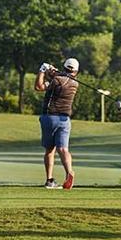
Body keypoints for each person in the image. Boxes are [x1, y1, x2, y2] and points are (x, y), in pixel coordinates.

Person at [35, 58, 80, 190]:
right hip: (65, 120)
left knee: (50, 150)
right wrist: (53, 72)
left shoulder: (57, 80)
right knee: (63, 149)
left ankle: (49, 180)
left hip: (50, 116)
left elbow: (39, 86)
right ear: (76, 72)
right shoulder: (75, 83)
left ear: (64, 67)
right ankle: (69, 172)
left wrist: (43, 71)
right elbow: (61, 79)